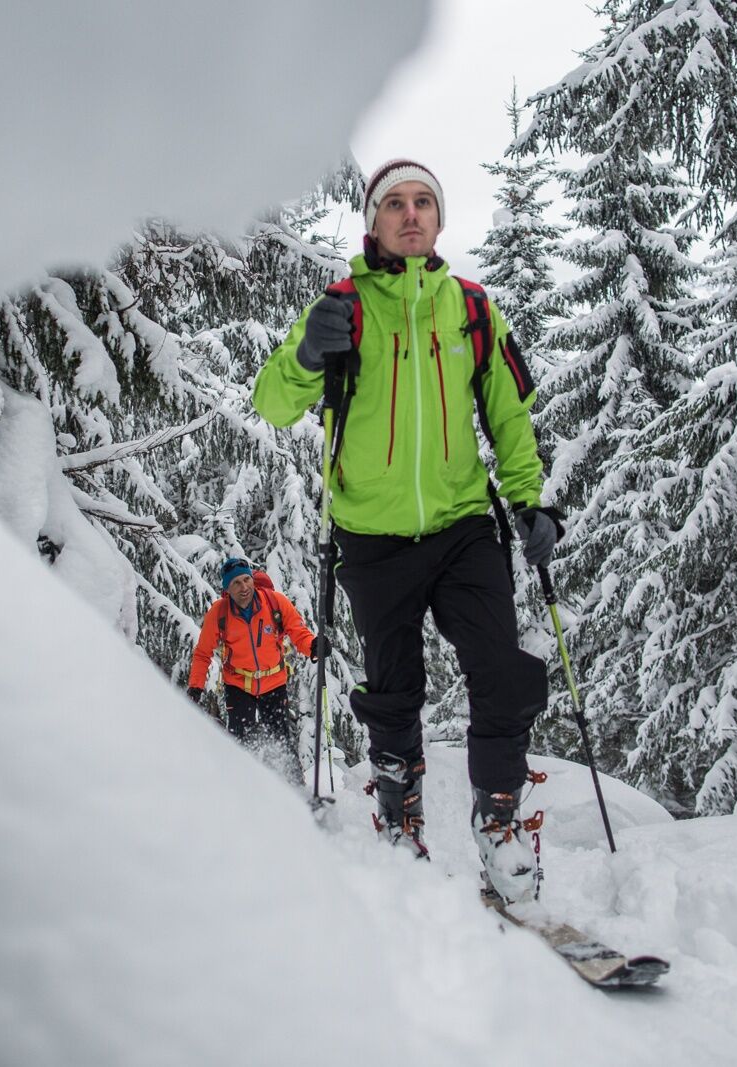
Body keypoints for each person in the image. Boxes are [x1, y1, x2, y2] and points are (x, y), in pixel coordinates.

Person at [251, 159, 562, 903]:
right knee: (393, 689)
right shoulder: (342, 308)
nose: (411, 213)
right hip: (372, 535)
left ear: (440, 219)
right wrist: (305, 354)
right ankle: (399, 811)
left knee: (501, 669)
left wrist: (529, 502)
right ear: (375, 221)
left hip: (463, 527)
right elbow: (271, 404)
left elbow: (509, 415)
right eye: (396, 203)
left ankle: (499, 820)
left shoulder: (473, 309)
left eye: (424, 202)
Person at [187, 557, 320, 783]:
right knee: (240, 742)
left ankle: (295, 788)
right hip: (238, 686)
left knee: (281, 740)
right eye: (236, 583)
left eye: (246, 579)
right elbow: (202, 653)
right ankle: (241, 789)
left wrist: (314, 647)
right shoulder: (219, 613)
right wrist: (196, 686)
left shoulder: (275, 602)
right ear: (227, 589)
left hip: (273, 683)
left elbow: (299, 633)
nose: (244, 587)